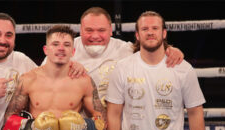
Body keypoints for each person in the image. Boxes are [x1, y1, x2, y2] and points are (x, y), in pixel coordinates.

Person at [43, 7, 184, 120]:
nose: (95, 36)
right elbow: (41, 80)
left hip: (118, 126)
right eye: (89, 30)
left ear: (111, 30)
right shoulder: (64, 49)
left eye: (101, 30)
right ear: (81, 30)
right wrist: (66, 66)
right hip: (76, 127)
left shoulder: (125, 50)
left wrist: (170, 50)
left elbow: (151, 51)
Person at [106, 11, 205, 130]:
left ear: (164, 33)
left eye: (155, 28)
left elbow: (195, 112)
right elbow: (114, 113)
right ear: (137, 35)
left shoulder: (183, 69)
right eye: (145, 29)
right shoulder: (122, 68)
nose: (150, 33)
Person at [2, 25, 105, 130]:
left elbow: (100, 117)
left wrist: (84, 125)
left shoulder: (84, 81)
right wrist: (32, 126)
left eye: (66, 45)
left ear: (73, 51)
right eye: (55, 44)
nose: (61, 48)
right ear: (46, 50)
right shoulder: (28, 79)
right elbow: (9, 117)